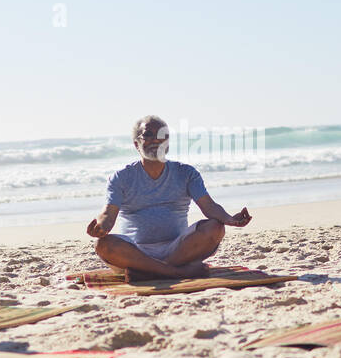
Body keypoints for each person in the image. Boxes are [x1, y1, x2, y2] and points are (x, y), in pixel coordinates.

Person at [87, 115, 251, 278]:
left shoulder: (186, 173)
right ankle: (174, 272)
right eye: (148, 135)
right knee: (103, 244)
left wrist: (230, 219)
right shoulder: (121, 177)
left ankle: (152, 272)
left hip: (179, 249)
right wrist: (101, 227)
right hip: (135, 252)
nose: (156, 140)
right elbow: (108, 213)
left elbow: (209, 207)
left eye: (162, 136)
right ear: (137, 144)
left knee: (215, 227)